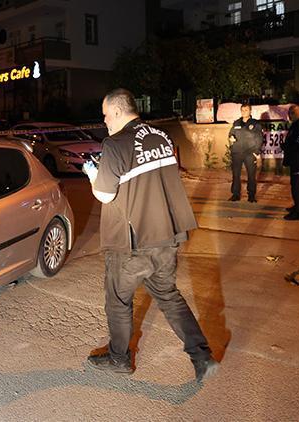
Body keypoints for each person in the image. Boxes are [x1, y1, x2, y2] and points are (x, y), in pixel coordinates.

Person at [81, 88, 219, 383]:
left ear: (118, 111)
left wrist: (93, 174)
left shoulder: (115, 143)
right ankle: (202, 357)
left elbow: (105, 194)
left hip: (132, 241)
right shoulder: (161, 136)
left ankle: (119, 359)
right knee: (169, 296)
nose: (104, 121)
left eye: (105, 115)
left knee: (118, 300)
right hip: (166, 235)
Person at [227, 104, 264, 202]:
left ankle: (251, 195)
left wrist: (256, 152)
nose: (244, 112)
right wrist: (231, 137)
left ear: (250, 111)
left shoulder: (255, 124)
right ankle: (235, 194)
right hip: (237, 153)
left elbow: (259, 138)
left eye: (246, 110)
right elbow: (231, 133)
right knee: (235, 174)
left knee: (251, 175)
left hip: (250, 153)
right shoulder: (236, 123)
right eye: (242, 110)